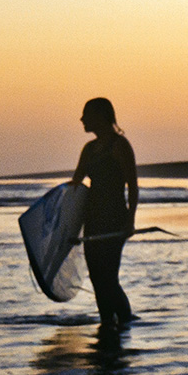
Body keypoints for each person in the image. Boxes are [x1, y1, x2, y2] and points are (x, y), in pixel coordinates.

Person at [71, 97, 138, 325]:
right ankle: (107, 323)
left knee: (108, 279)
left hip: (114, 219)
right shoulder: (89, 149)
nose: (82, 119)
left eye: (86, 114)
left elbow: (133, 185)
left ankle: (126, 322)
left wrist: (130, 221)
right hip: (93, 220)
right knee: (98, 280)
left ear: (100, 116)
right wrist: (66, 227)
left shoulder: (119, 146)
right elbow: (75, 186)